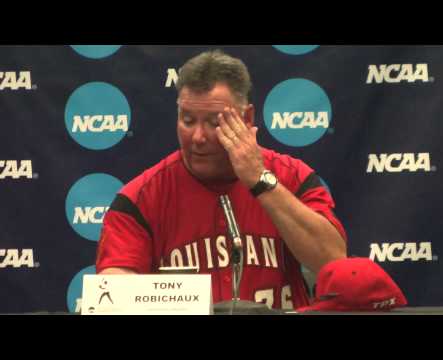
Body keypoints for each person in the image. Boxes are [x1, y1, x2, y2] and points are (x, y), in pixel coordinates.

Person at [96, 49, 347, 310]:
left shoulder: (293, 177)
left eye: (214, 122)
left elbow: (333, 261)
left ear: (246, 118)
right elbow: (111, 291)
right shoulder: (140, 198)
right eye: (188, 120)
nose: (197, 137)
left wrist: (262, 182)